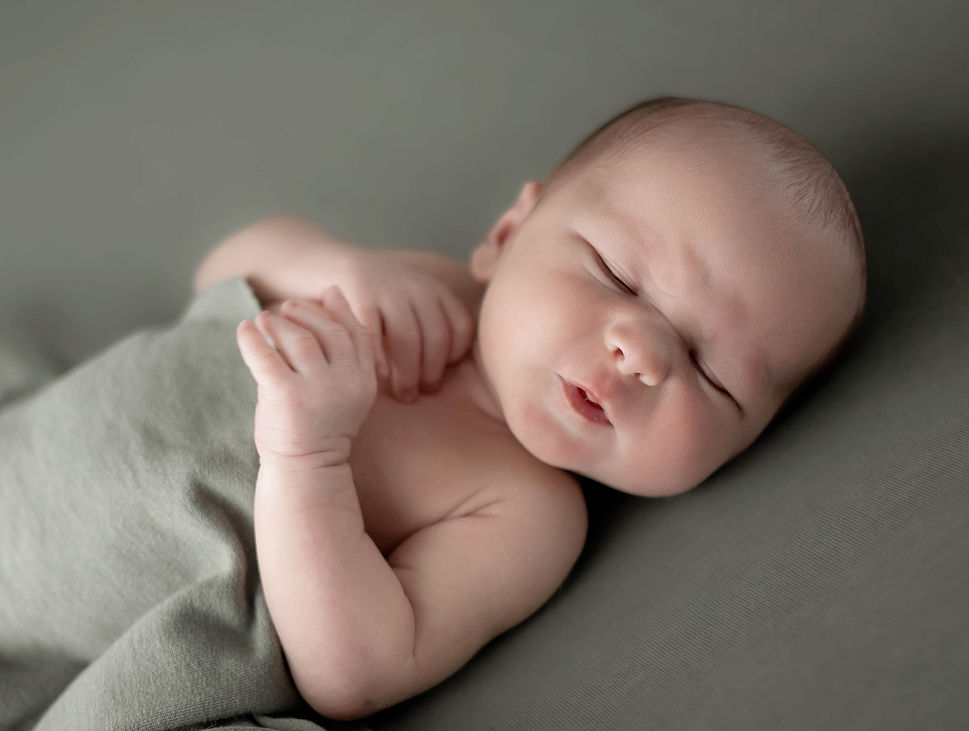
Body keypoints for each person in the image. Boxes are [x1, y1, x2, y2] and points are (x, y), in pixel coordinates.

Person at [192, 96, 866, 720]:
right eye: (617, 274)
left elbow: (357, 673)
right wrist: (327, 265)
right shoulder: (419, 288)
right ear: (509, 232)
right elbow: (217, 275)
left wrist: (305, 455)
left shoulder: (529, 511)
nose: (642, 353)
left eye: (710, 371)